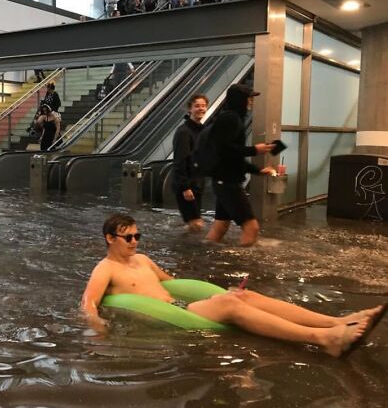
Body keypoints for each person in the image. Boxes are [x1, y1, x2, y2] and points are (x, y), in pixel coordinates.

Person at [81, 214, 383, 357]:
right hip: (167, 317)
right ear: (110, 238)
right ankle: (322, 338)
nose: (135, 242)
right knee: (230, 303)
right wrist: (99, 332)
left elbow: (175, 285)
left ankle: (340, 321)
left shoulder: (144, 260)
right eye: (129, 238)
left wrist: (220, 293)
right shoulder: (105, 269)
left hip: (180, 306)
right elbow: (88, 304)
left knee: (244, 294)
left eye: (138, 236)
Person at [205, 84, 275, 246]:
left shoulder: (232, 118)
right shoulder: (230, 119)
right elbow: (225, 150)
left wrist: (258, 170)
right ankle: (242, 267)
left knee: (221, 226)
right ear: (239, 99)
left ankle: (204, 258)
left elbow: (233, 158)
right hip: (227, 182)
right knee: (252, 228)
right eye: (248, 98)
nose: (251, 101)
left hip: (224, 180)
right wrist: (254, 150)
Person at [172, 94, 209, 232]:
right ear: (190, 109)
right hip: (186, 186)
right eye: (197, 106)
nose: (201, 108)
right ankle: (187, 251)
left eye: (203, 106)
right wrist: (185, 187)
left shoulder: (202, 130)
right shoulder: (183, 132)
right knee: (196, 224)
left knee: (194, 223)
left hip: (197, 184)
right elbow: (180, 160)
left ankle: (188, 249)